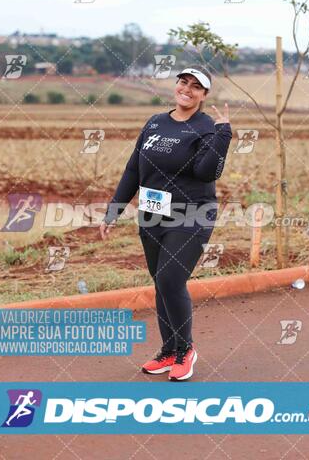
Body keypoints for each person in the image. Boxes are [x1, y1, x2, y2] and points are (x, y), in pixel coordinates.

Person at [99, 65, 232, 381]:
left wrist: (224, 135)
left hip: (192, 215)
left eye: (195, 86)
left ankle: (186, 351)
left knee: (172, 279)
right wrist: (113, 211)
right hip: (152, 214)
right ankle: (169, 350)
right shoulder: (155, 123)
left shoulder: (207, 127)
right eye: (183, 82)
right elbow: (134, 169)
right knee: (161, 282)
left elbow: (207, 173)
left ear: (204, 94)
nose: (187, 89)